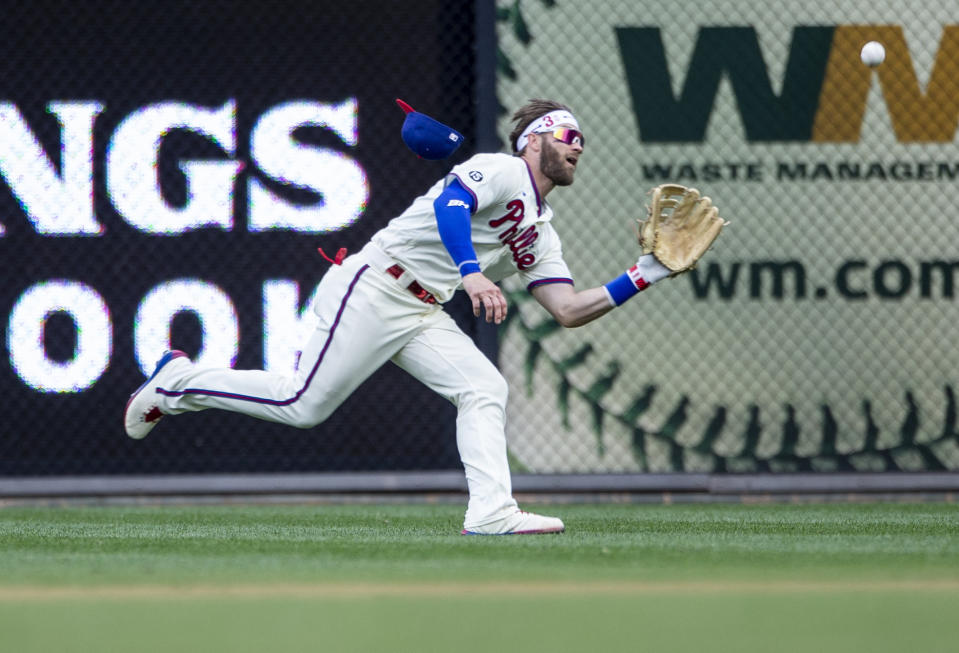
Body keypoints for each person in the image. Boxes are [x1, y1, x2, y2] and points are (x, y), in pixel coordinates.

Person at [124, 99, 672, 535]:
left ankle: (491, 513)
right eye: (566, 135)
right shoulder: (502, 170)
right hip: (376, 284)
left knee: (483, 388)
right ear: (534, 141)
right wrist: (472, 271)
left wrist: (646, 273)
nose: (578, 146)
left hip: (420, 308)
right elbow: (450, 205)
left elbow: (569, 309)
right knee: (301, 404)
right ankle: (175, 383)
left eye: (581, 140)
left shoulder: (540, 230)